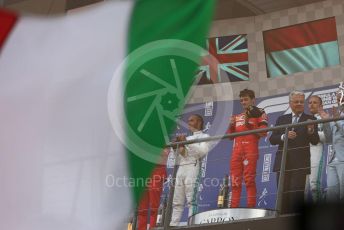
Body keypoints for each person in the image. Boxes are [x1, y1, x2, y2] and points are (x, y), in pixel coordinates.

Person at [269, 90, 319, 214]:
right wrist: (283, 137)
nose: (299, 104)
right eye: (296, 101)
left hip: (300, 164)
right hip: (283, 162)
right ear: (290, 103)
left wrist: (311, 131)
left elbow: (315, 140)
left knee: (296, 195)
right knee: (283, 196)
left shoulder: (310, 118)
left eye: (302, 102)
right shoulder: (282, 119)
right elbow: (272, 139)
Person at [227, 89, 268, 208]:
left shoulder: (260, 113)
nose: (243, 102)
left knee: (249, 180)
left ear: (253, 100)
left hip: (250, 149)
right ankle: (233, 209)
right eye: (241, 100)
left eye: (246, 99)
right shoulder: (237, 116)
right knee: (234, 181)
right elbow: (230, 137)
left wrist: (248, 125)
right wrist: (231, 124)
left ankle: (250, 208)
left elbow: (264, 133)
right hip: (236, 151)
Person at [170, 114, 210, 226]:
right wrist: (176, 147)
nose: (189, 122)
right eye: (188, 120)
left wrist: (187, 143)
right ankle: (173, 225)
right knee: (177, 201)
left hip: (193, 167)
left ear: (199, 122)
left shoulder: (205, 136)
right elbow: (181, 157)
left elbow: (201, 152)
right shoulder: (187, 138)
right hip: (181, 168)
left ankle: (191, 224)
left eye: (192, 120)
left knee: (191, 200)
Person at [319, 88, 344, 201]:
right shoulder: (337, 114)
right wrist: (325, 122)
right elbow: (329, 139)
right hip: (333, 160)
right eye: (338, 97)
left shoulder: (337, 116)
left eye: (341, 97)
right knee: (332, 194)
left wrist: (337, 120)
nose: (339, 99)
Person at [137, 148, 168, 230]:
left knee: (154, 205)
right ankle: (141, 228)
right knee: (142, 207)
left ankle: (152, 227)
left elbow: (163, 157)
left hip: (157, 174)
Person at [307, 95, 326, 202]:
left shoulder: (324, 118)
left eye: (315, 102)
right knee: (302, 187)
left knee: (314, 185)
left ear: (321, 105)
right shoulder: (304, 119)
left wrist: (312, 133)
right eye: (310, 102)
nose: (312, 104)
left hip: (316, 150)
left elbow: (327, 136)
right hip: (303, 153)